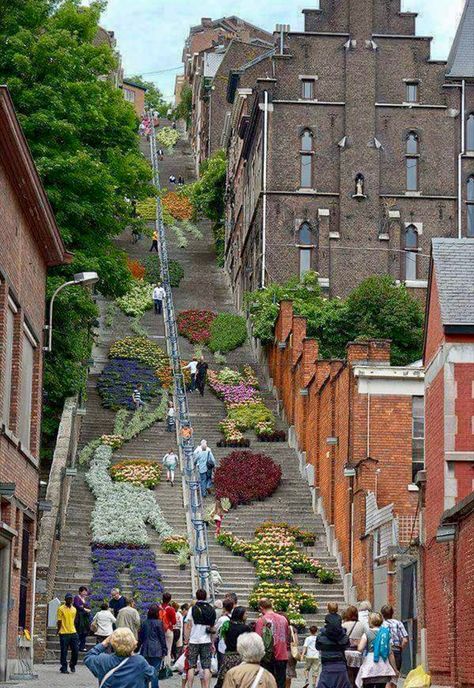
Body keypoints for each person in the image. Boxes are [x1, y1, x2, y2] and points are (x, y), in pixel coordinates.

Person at [85, 629, 154, 688]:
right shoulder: (140, 662)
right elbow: (151, 675)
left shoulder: (103, 660)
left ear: (112, 643)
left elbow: (88, 656)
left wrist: (105, 642)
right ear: (133, 641)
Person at [184, 588, 217, 688]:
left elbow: (188, 625)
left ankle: (190, 686)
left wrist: (186, 640)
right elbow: (213, 627)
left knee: (191, 665)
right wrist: (212, 642)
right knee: (206, 666)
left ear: (196, 596)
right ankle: (206, 686)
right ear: (206, 596)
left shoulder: (193, 608)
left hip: (194, 640)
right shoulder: (211, 609)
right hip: (206, 640)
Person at [255, 598, 290, 688]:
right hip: (282, 655)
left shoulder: (261, 621)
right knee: (280, 683)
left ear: (261, 608)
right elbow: (286, 636)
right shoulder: (283, 619)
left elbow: (258, 640)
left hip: (267, 656)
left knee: (267, 683)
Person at [356, 613, 397, 688]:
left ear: (370, 621)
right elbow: (390, 653)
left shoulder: (367, 634)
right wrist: (395, 669)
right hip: (383, 666)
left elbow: (360, 648)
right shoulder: (386, 633)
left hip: (370, 665)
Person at [216, 606, 251, 688]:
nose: (247, 615)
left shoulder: (227, 625)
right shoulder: (245, 628)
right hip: (240, 658)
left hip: (228, 657)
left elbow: (223, 637)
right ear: (240, 614)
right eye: (245, 613)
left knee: (223, 680)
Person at [315, 607, 351, 688]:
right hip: (341, 666)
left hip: (327, 666)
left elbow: (317, 647)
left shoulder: (321, 638)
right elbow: (347, 645)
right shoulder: (344, 637)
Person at [139, 604, 168, 688]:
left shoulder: (144, 622)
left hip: (145, 649)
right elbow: (162, 637)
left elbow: (140, 637)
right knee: (155, 672)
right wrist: (164, 650)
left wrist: (137, 648)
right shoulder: (159, 623)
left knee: (145, 671)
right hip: (157, 649)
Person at [380, 605, 408, 676]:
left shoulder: (381, 624)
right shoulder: (398, 623)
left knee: (386, 677)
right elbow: (405, 640)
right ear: (392, 613)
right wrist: (401, 648)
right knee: (395, 677)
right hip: (396, 650)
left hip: (384, 652)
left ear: (382, 614)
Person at [342, 606, 365, 688]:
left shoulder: (343, 625)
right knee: (357, 676)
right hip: (357, 653)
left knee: (348, 676)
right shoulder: (362, 625)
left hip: (346, 653)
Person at [57, 593, 79, 674]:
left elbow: (74, 620)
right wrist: (58, 630)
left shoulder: (74, 609)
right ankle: (63, 667)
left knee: (76, 651)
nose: (70, 600)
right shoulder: (60, 609)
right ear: (65, 599)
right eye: (68, 599)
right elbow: (59, 621)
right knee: (64, 651)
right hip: (63, 633)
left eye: (71, 599)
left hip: (73, 632)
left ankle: (72, 664)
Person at [215, 598, 235, 668]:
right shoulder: (234, 617)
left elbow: (216, 630)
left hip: (222, 642)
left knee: (222, 663)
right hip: (232, 643)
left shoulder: (222, 619)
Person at [160, 592, 177, 663]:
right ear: (170, 599)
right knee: (168, 649)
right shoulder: (171, 609)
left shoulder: (158, 608)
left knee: (160, 649)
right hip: (168, 630)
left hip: (159, 629)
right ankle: (166, 666)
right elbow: (174, 622)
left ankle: (160, 666)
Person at [73, 586, 91, 651]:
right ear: (80, 592)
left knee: (84, 632)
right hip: (79, 618)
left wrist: (85, 608)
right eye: (83, 591)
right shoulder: (77, 597)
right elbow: (77, 605)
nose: (85, 593)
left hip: (84, 618)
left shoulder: (84, 599)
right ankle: (77, 646)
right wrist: (84, 608)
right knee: (79, 631)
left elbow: (86, 607)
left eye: (86, 592)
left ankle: (82, 646)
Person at [286, 622, 299, 688]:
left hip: (279, 652)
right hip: (289, 653)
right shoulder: (292, 628)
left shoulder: (277, 627)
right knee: (289, 676)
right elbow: (296, 642)